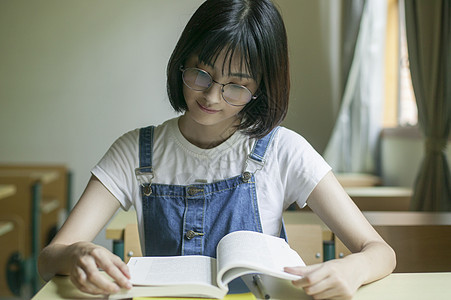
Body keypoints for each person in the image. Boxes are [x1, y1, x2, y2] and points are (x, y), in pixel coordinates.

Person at [38, 0, 396, 299]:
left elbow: (380, 252)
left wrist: (352, 268)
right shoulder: (135, 151)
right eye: (201, 73)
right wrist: (76, 254)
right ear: (182, 60)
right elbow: (48, 257)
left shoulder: (284, 150)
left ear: (262, 89)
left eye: (236, 86)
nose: (210, 96)